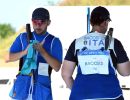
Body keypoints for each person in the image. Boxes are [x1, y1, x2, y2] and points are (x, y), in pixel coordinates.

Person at [61, 6, 130, 100]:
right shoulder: (114, 43)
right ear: (105, 22)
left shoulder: (77, 43)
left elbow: (66, 74)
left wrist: (78, 91)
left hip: (81, 96)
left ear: (91, 22)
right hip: (111, 96)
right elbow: (125, 72)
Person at [6, 7, 63, 100]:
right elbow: (8, 58)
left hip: (42, 90)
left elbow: (57, 67)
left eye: (42, 22)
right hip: (22, 89)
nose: (38, 25)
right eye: (35, 22)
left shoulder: (54, 41)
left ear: (49, 22)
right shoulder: (22, 37)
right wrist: (24, 52)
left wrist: (42, 52)